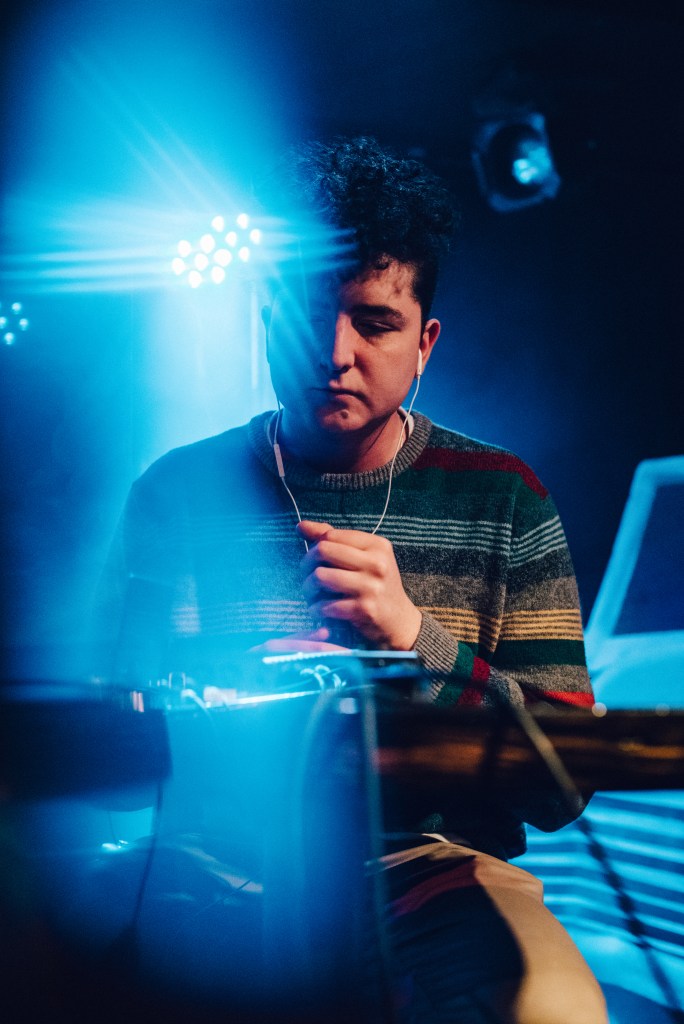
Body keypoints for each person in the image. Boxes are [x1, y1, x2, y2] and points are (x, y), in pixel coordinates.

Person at [93, 137, 608, 1022]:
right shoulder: (177, 492)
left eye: (374, 322)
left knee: (554, 1010)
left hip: (427, 867)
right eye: (304, 318)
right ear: (264, 323)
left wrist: (414, 638)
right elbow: (110, 747)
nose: (334, 352)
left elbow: (565, 789)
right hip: (216, 863)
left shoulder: (505, 497)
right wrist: (215, 697)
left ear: (425, 343)